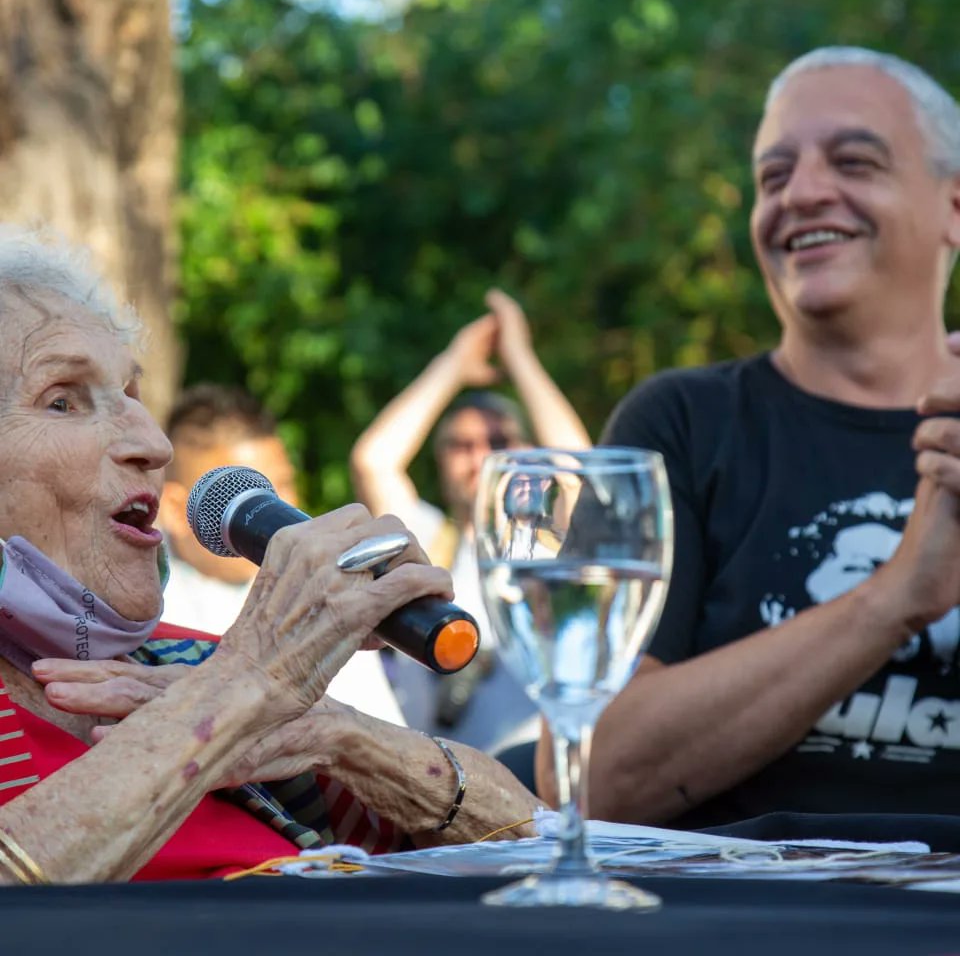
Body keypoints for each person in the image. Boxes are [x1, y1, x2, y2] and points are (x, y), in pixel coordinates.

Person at [0, 225, 538, 885]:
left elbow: (538, 842)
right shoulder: (230, 678)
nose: (153, 443)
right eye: (62, 400)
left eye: (133, 397)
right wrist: (246, 685)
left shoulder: (187, 663)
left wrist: (342, 738)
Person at [538, 46, 960, 830]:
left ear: (954, 207)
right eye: (773, 177)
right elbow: (585, 779)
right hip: (734, 917)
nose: (801, 194)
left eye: (855, 161)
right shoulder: (678, 426)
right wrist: (894, 599)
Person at [350, 290, 591, 752]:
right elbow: (372, 461)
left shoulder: (549, 547)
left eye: (499, 440)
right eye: (461, 445)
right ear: (440, 459)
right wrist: (453, 363)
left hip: (535, 778)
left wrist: (520, 357)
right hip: (434, 779)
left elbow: (578, 471)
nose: (481, 457)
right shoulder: (425, 541)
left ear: (527, 452)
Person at [159, 383, 405, 725]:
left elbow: (386, 730)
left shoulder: (326, 585)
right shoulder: (145, 609)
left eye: (282, 485)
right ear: (175, 509)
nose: (279, 509)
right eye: (246, 497)